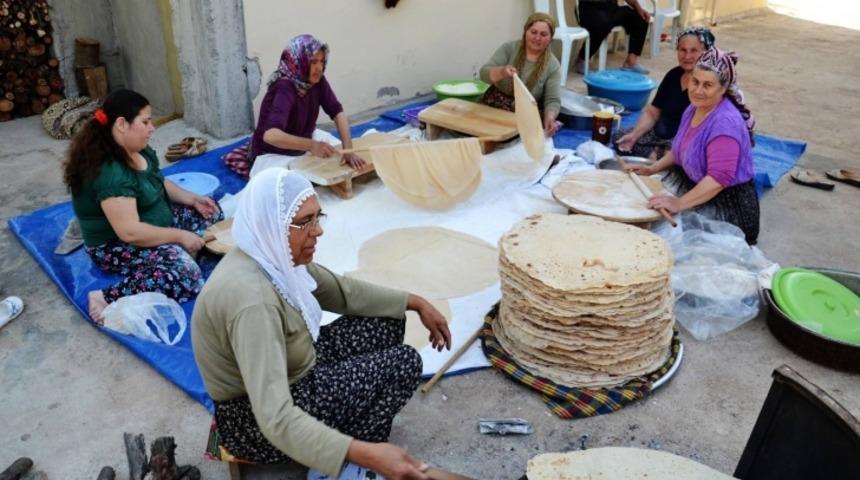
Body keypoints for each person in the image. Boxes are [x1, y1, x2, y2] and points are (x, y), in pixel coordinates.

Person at [191, 169, 453, 479]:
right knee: (404, 363)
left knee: (387, 320)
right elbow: (275, 417)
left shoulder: (270, 257)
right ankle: (347, 459)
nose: (318, 231)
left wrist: (415, 302)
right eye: (304, 222)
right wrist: (366, 453)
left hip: (295, 367)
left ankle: (344, 435)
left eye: (318, 217)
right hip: (253, 422)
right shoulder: (253, 303)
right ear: (272, 226)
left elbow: (343, 292)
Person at [63, 89, 223, 322]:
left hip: (154, 222)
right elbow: (129, 232)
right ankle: (106, 297)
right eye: (145, 121)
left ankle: (181, 253)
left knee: (212, 213)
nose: (152, 127)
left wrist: (192, 199)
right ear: (121, 124)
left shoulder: (137, 149)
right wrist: (179, 235)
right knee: (186, 275)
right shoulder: (111, 173)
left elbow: (156, 181)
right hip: (116, 246)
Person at [627, 48, 759, 244]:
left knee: (674, 242)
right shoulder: (694, 108)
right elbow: (680, 149)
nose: (698, 90)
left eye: (708, 85)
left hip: (726, 206)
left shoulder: (725, 125)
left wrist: (679, 203)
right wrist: (651, 168)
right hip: (697, 184)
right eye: (695, 82)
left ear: (723, 89)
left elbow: (718, 179)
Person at [249, 34, 365, 177]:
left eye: (322, 61)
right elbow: (271, 136)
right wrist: (312, 146)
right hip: (274, 154)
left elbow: (337, 112)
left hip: (302, 145)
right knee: (293, 184)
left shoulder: (317, 81)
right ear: (298, 61)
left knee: (335, 155)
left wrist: (349, 151)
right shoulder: (285, 87)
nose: (320, 68)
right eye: (313, 62)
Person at [615, 26, 716, 158]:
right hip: (660, 135)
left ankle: (661, 159)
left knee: (688, 153)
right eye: (682, 50)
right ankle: (659, 158)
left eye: (694, 51)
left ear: (705, 53)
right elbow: (653, 112)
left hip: (684, 140)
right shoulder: (673, 75)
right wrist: (634, 136)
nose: (687, 56)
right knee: (621, 136)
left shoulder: (708, 82)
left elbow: (701, 129)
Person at [479, 12, 562, 136]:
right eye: (533, 32)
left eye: (544, 34)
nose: (537, 38)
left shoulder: (552, 65)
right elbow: (483, 73)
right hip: (494, 106)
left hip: (525, 114)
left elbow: (552, 100)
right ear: (525, 32)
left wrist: (549, 118)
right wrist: (502, 72)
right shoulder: (509, 48)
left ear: (551, 38)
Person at [575, 0, 651, 74]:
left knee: (640, 18)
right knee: (602, 24)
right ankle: (582, 59)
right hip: (590, 8)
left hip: (611, 8)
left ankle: (630, 62)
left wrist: (639, 9)